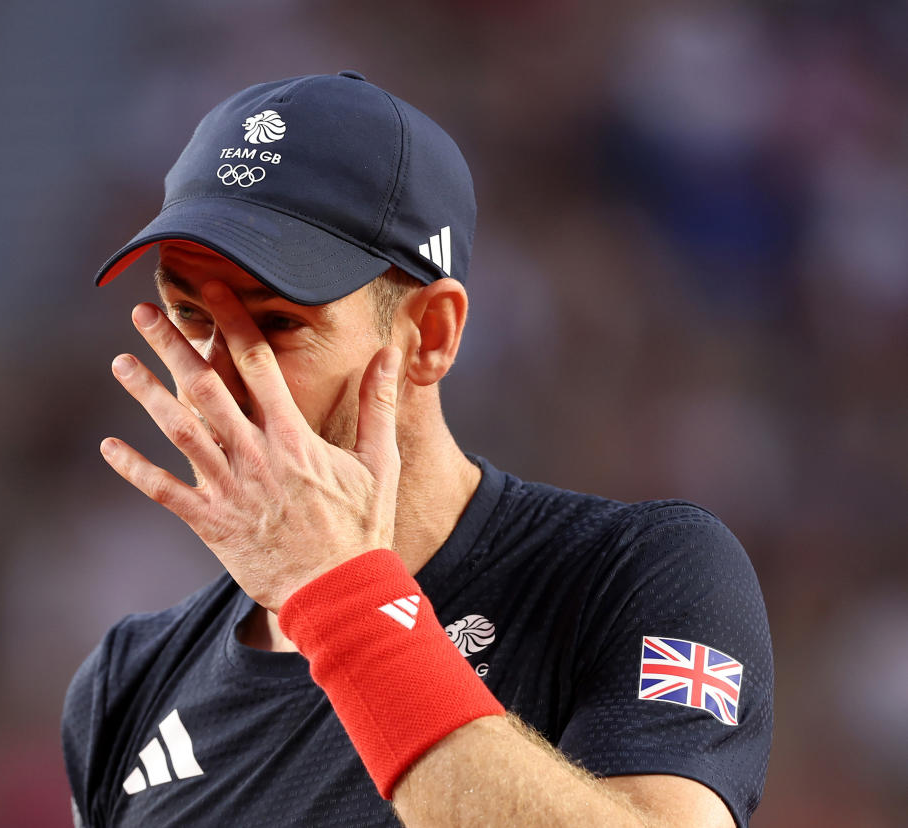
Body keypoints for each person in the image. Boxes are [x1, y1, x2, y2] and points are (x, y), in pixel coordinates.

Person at [62, 72, 772, 828]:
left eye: (276, 324)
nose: (216, 381)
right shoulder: (127, 683)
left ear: (430, 335)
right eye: (189, 314)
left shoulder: (640, 573)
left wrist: (336, 593)